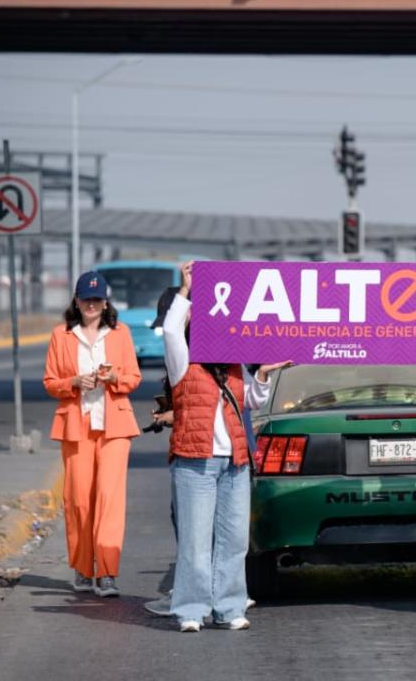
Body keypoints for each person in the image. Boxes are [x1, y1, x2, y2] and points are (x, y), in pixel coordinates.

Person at [162, 261, 288, 633]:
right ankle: (190, 609)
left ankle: (229, 608)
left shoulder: (235, 367)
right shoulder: (183, 364)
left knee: (234, 542)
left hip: (235, 462)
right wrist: (186, 290)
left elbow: (252, 400)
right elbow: (170, 329)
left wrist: (263, 375)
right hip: (194, 463)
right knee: (196, 544)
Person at [43, 271, 142, 597]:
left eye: (97, 299)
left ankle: (107, 573)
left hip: (114, 427)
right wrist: (73, 383)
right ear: (76, 299)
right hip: (76, 426)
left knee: (109, 501)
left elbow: (133, 377)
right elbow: (50, 382)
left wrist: (113, 376)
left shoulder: (120, 333)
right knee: (79, 502)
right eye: (86, 298)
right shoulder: (62, 336)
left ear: (106, 302)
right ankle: (83, 569)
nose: (91, 304)